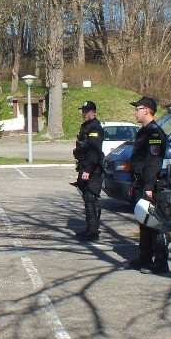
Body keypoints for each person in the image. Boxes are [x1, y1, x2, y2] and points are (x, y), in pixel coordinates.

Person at [125, 96, 170, 274]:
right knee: (143, 223)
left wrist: (149, 188)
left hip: (150, 186)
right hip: (140, 184)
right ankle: (144, 259)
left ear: (146, 110)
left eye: (137, 109)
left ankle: (160, 263)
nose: (135, 112)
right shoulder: (143, 131)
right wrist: (133, 184)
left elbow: (153, 162)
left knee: (155, 225)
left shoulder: (154, 133)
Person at [72, 101, 105, 241]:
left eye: (87, 111)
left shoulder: (95, 128)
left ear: (94, 112)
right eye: (83, 111)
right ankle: (90, 228)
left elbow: (94, 152)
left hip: (93, 169)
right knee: (87, 198)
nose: (84, 113)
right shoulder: (87, 127)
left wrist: (87, 169)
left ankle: (93, 232)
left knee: (90, 198)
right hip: (86, 167)